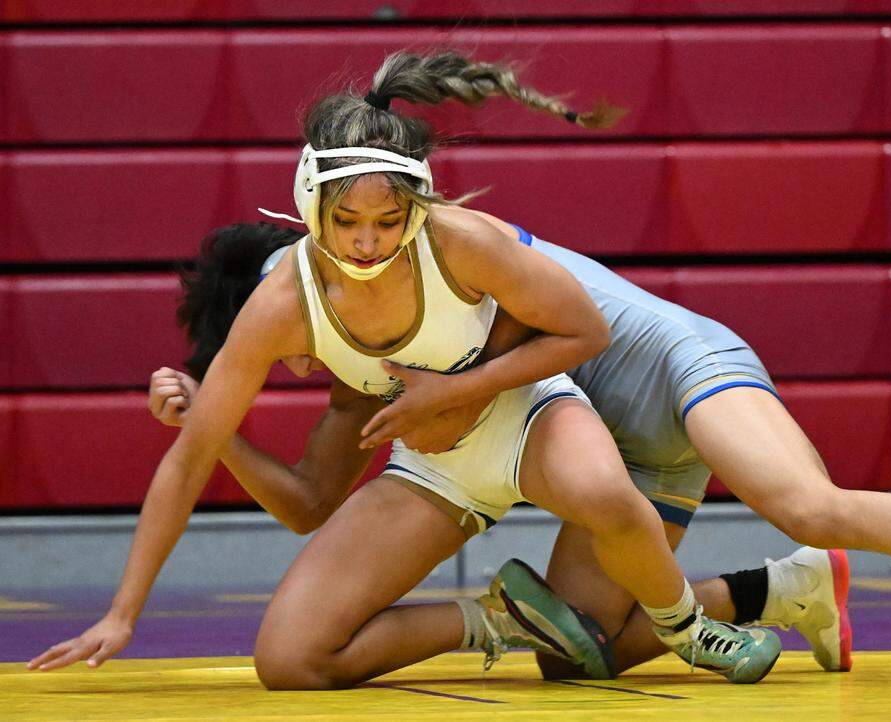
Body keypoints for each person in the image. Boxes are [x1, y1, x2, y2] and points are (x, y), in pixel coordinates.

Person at [27, 51, 783, 688]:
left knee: (605, 494)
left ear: (417, 206)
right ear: (308, 204)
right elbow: (193, 462)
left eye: (388, 222)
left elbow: (584, 328)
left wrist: (458, 389)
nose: (365, 243)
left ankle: (689, 627)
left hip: (521, 408)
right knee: (290, 659)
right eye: (346, 223)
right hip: (435, 464)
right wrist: (124, 610)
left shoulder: (463, 239)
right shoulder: (282, 305)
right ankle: (495, 618)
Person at [161, 211, 891, 686]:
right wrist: (217, 423)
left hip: (666, 367)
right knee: (579, 653)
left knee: (810, 501)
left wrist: (450, 396)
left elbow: (542, 338)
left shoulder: (419, 254)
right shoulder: (356, 339)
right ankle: (783, 592)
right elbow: (309, 498)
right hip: (610, 439)